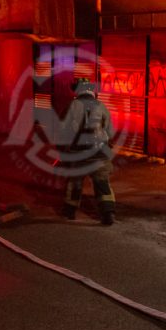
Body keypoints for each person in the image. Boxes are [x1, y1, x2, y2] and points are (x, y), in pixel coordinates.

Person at [60, 79, 116, 225]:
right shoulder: (101, 106)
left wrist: (62, 150)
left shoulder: (72, 106)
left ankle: (70, 212)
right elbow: (110, 131)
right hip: (100, 153)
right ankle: (108, 213)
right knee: (102, 182)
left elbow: (63, 130)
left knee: (75, 183)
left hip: (79, 153)